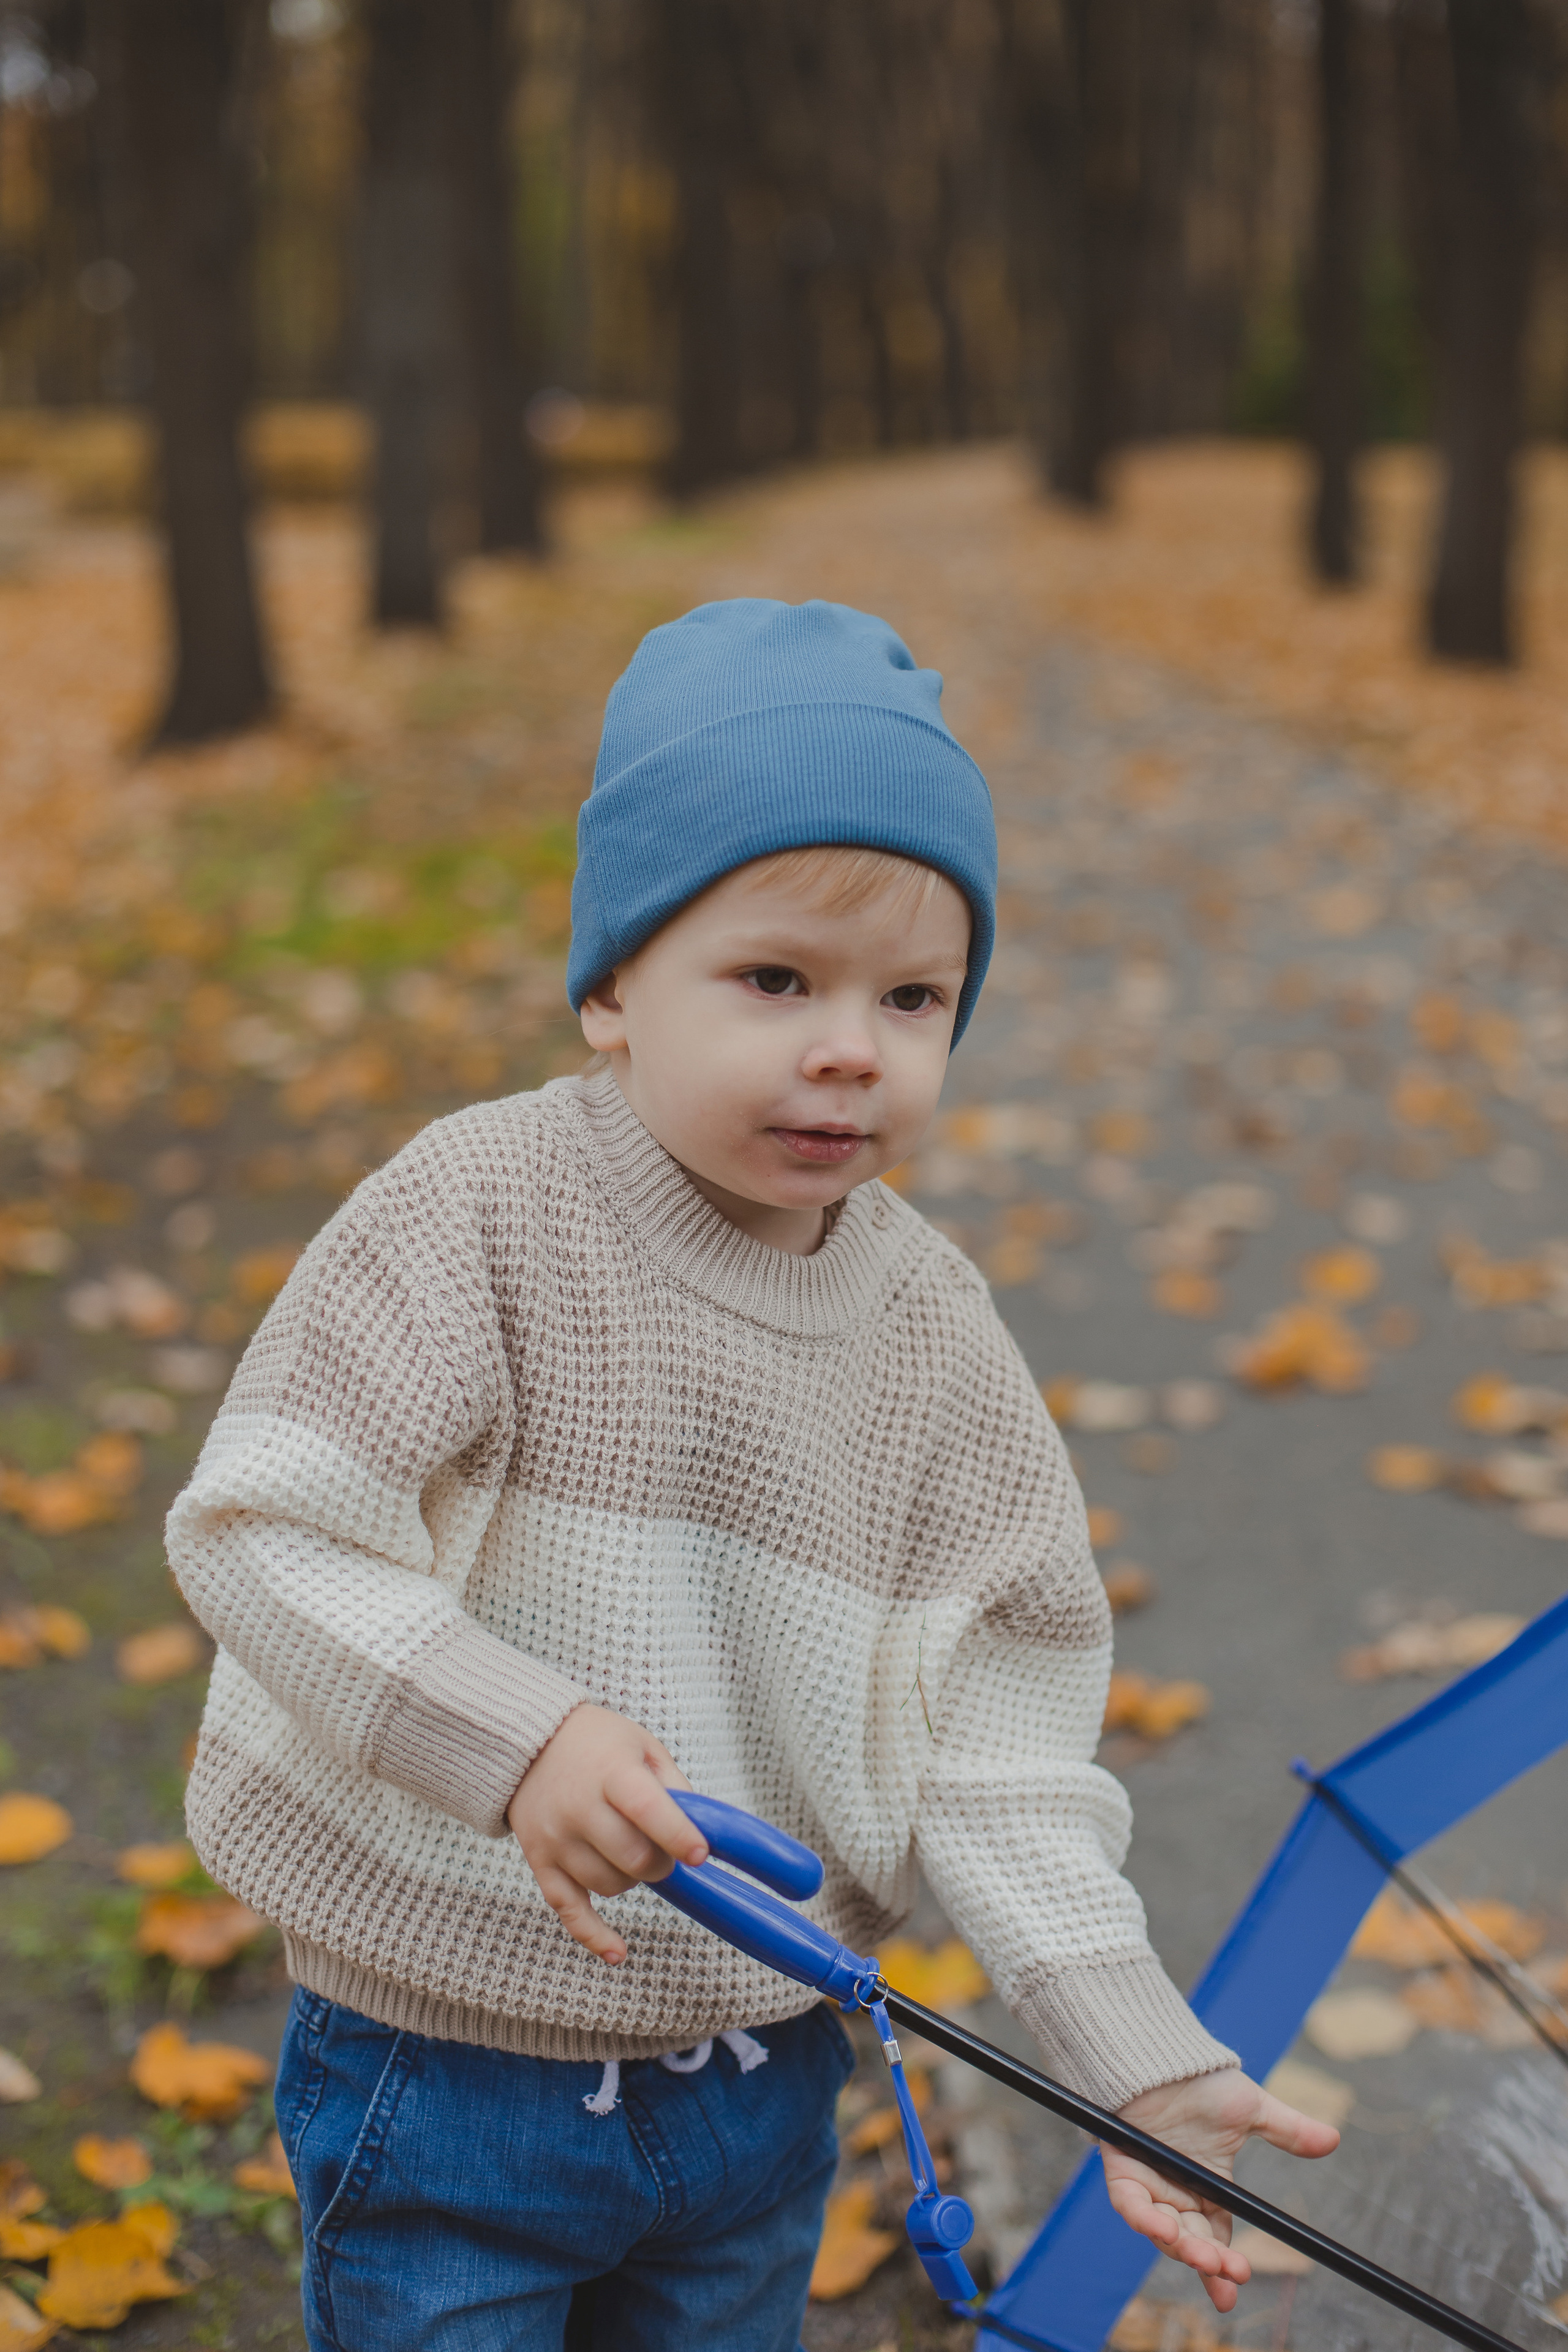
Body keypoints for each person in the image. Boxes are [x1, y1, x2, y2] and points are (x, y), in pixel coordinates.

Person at [168, 598, 1336, 2352]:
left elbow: (999, 1754)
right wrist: (518, 1738)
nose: (852, 1046)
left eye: (913, 997)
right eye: (777, 979)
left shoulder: (938, 1345)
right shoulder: (477, 1215)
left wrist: (1134, 2071)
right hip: (444, 2052)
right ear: (613, 990)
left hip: (754, 2091)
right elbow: (267, 1521)